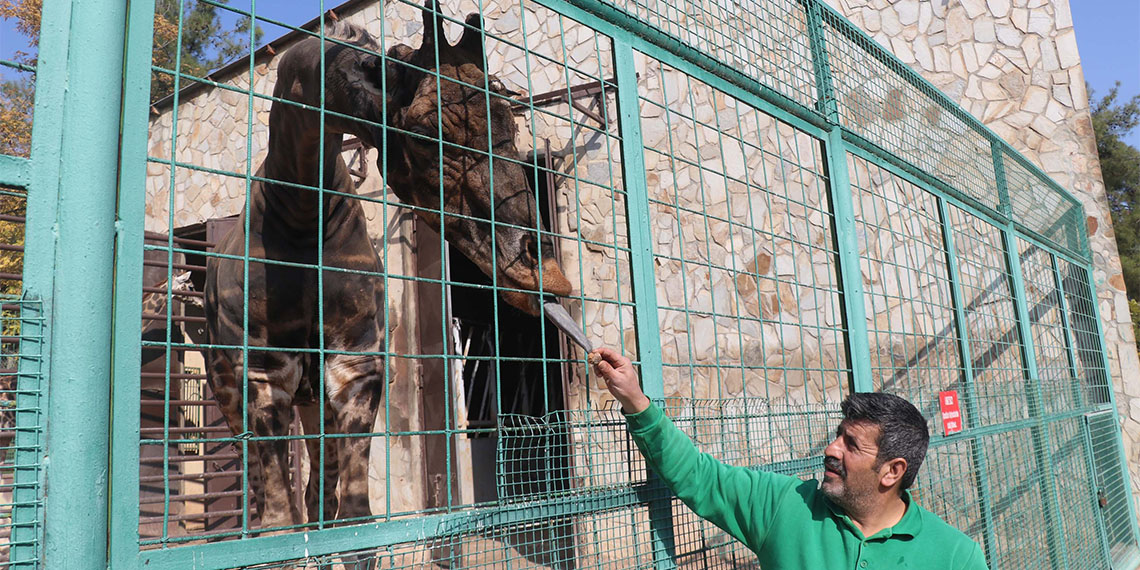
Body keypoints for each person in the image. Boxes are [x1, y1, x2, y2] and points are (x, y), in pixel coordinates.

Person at [589, 347, 988, 570]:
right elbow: (698, 476)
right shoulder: (783, 504)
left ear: (892, 471)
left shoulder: (955, 557)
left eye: (851, 444)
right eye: (837, 436)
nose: (832, 449)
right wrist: (636, 401)